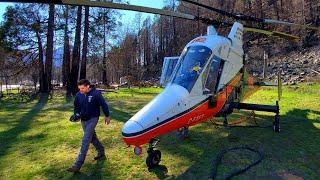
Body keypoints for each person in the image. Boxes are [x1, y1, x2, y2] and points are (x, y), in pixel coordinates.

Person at [67, 79, 111, 172]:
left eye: (82, 88)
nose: (80, 90)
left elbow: (103, 105)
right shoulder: (79, 95)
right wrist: (76, 115)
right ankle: (101, 151)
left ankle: (77, 165)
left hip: (93, 118)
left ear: (88, 86)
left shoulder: (96, 94)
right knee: (92, 138)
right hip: (83, 119)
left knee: (86, 139)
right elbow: (76, 107)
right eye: (79, 88)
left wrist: (107, 116)